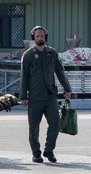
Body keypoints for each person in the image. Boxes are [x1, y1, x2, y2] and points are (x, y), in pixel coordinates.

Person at [19, 26, 72, 163]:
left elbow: (60, 72)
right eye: (37, 36)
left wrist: (67, 89)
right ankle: (36, 153)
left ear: (45, 37)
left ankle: (49, 150)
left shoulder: (52, 53)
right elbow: (24, 77)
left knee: (55, 123)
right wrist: (23, 96)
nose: (40, 38)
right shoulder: (28, 55)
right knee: (34, 127)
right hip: (35, 96)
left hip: (50, 95)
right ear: (33, 38)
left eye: (42, 36)